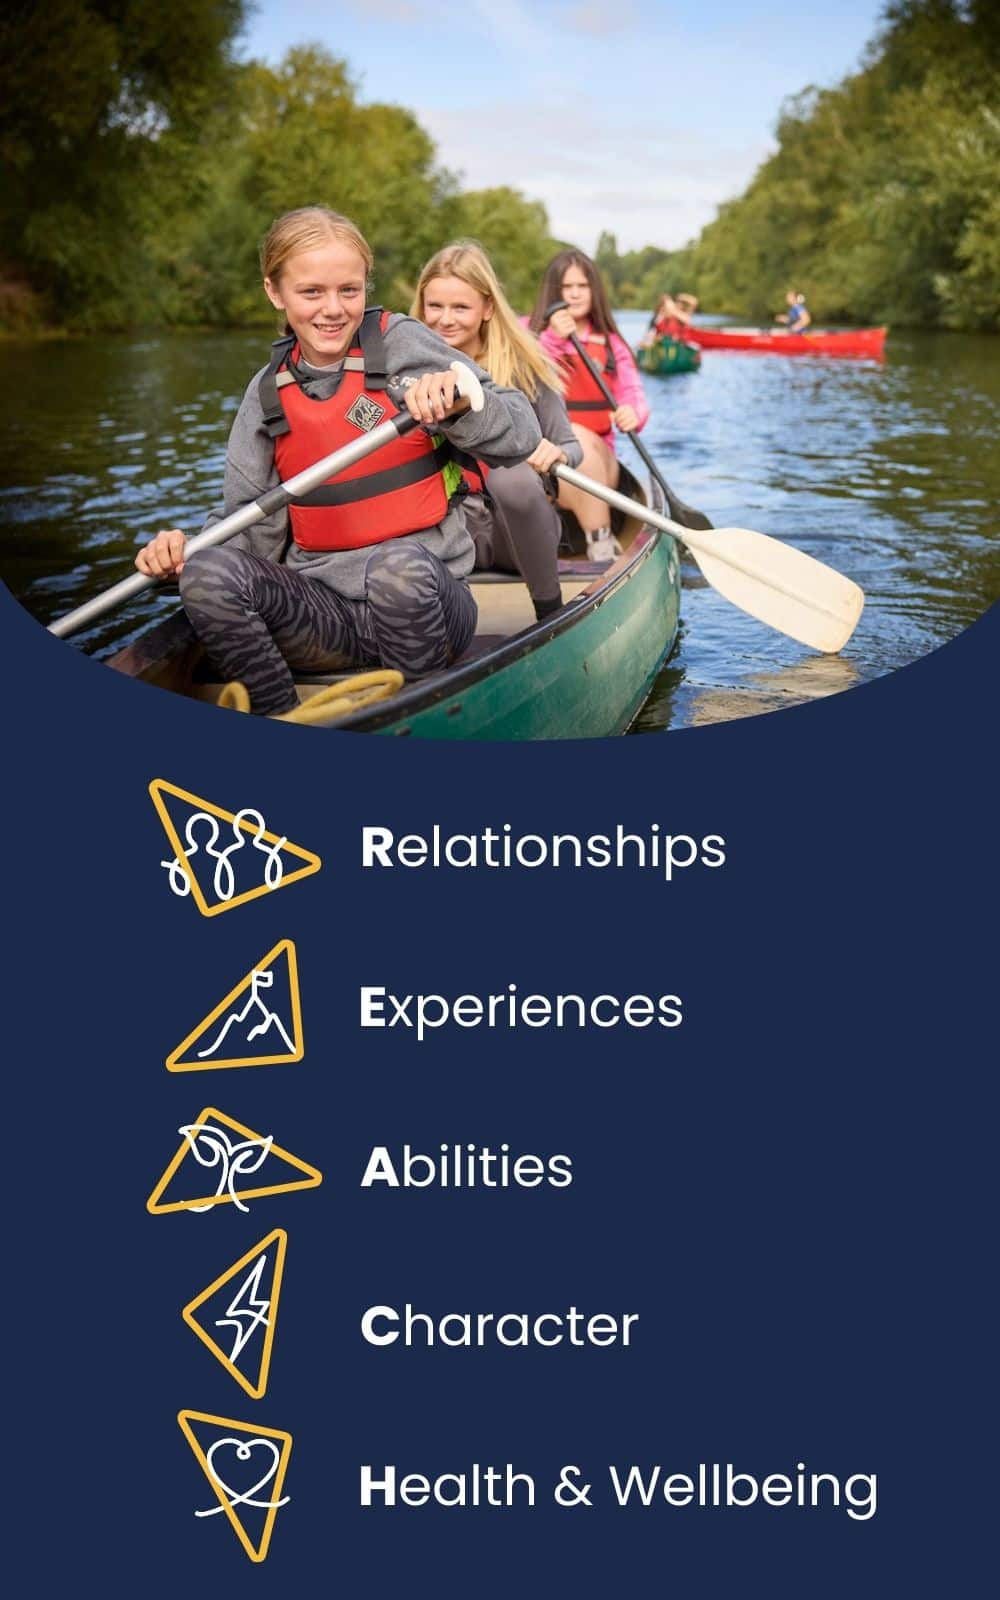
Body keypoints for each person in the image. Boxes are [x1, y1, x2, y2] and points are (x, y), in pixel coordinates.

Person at [134, 206, 540, 714]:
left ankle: (421, 718)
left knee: (397, 571)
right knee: (208, 572)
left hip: (427, 601)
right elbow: (247, 532)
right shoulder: (266, 394)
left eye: (349, 290)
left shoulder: (402, 342)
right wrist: (183, 553)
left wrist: (461, 401)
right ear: (274, 293)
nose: (333, 309)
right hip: (325, 617)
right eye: (311, 293)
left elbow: (522, 432)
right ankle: (281, 718)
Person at [412, 241, 583, 617]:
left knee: (511, 479)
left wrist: (559, 453)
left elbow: (571, 445)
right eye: (435, 306)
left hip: (512, 536)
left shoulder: (524, 366)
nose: (445, 319)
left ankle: (550, 612)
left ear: (488, 308)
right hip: (444, 533)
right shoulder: (404, 369)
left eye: (460, 307)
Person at [529, 250, 650, 560]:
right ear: (551, 292)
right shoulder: (528, 333)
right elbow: (526, 373)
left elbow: (633, 394)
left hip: (597, 461)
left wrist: (632, 412)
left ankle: (601, 543)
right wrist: (555, 338)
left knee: (578, 438)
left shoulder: (612, 344)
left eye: (582, 286)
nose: (574, 294)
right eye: (565, 287)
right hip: (539, 461)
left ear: (594, 290)